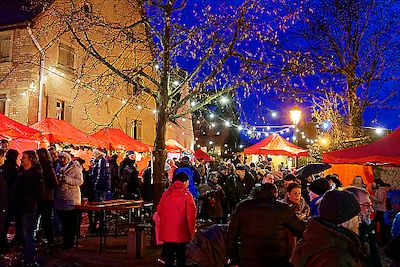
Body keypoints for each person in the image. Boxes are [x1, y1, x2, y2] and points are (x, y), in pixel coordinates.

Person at [226, 183, 305, 267]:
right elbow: (300, 229)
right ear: (275, 193)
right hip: (275, 259)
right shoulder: (282, 209)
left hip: (249, 259)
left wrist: (234, 258)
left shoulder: (243, 207)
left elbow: (231, 236)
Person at [292, 190, 367, 267]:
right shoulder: (337, 257)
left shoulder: (315, 239)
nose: (359, 221)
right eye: (357, 216)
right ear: (345, 220)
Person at [156, 172, 196, 267]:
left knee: (168, 257)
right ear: (185, 182)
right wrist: (192, 232)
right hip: (181, 232)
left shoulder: (167, 193)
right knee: (181, 257)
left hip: (167, 232)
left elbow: (159, 211)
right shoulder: (187, 195)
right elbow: (191, 216)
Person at [14, 150, 44, 266]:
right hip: (20, 207)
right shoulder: (21, 172)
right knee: (22, 233)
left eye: (24, 157)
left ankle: (29, 259)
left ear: (31, 159)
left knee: (28, 234)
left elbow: (38, 192)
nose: (22, 159)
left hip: (29, 208)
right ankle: (25, 255)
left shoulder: (36, 173)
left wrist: (26, 201)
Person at [345, 186, 382, 267]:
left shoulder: (367, 226)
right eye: (366, 205)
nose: (372, 210)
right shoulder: (341, 241)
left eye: (371, 205)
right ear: (351, 206)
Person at [54, 152, 83, 250]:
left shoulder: (75, 167)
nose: (61, 160)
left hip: (71, 198)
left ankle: (69, 241)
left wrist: (66, 179)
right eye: (60, 158)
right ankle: (65, 239)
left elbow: (79, 181)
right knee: (63, 220)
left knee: (70, 221)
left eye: (64, 158)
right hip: (60, 197)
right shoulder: (58, 166)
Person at [36, 148, 58, 253]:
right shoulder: (48, 167)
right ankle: (49, 240)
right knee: (46, 219)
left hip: (41, 197)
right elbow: (55, 183)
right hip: (47, 197)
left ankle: (43, 237)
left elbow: (54, 183)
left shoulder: (38, 167)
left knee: (38, 218)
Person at [371, 178, 389, 245]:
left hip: (380, 210)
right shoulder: (381, 190)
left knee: (376, 224)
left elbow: (380, 200)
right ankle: (382, 240)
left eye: (374, 183)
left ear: (377, 184)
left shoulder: (380, 191)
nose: (373, 184)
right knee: (381, 225)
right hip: (380, 210)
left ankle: (379, 239)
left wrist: (372, 197)